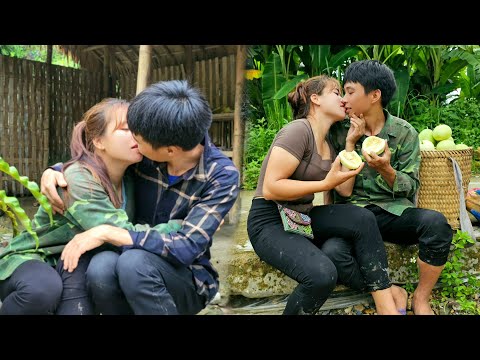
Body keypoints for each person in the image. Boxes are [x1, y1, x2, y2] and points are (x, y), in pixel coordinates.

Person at [41, 80, 240, 315]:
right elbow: (97, 162)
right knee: (101, 266)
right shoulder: (147, 152)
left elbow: (186, 246)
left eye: (137, 137)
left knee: (134, 262)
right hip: (127, 262)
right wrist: (56, 171)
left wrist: (109, 232)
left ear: (169, 151)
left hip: (185, 277)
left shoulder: (221, 176)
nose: (133, 141)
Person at [0, 98, 178, 315]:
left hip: (76, 257)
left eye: (139, 129)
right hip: (35, 256)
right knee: (43, 289)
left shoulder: (133, 174)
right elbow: (123, 232)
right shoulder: (78, 179)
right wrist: (184, 227)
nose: (137, 135)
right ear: (99, 142)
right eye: (126, 129)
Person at [247, 75, 407, 315]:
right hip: (271, 220)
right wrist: (324, 184)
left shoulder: (329, 144)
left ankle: (386, 304)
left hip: (300, 216)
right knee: (322, 275)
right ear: (315, 99)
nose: (343, 99)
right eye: (336, 92)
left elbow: (344, 189)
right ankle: (391, 295)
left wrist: (351, 145)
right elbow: (271, 187)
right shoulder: (297, 131)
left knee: (361, 217)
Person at [327, 59, 453, 315]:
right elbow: (343, 192)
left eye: (350, 91)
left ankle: (420, 297)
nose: (345, 99)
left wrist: (386, 169)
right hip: (354, 215)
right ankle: (391, 291)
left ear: (374, 95)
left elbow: (410, 186)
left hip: (391, 212)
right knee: (332, 253)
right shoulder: (339, 131)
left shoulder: (404, 132)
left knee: (437, 225)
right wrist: (350, 145)